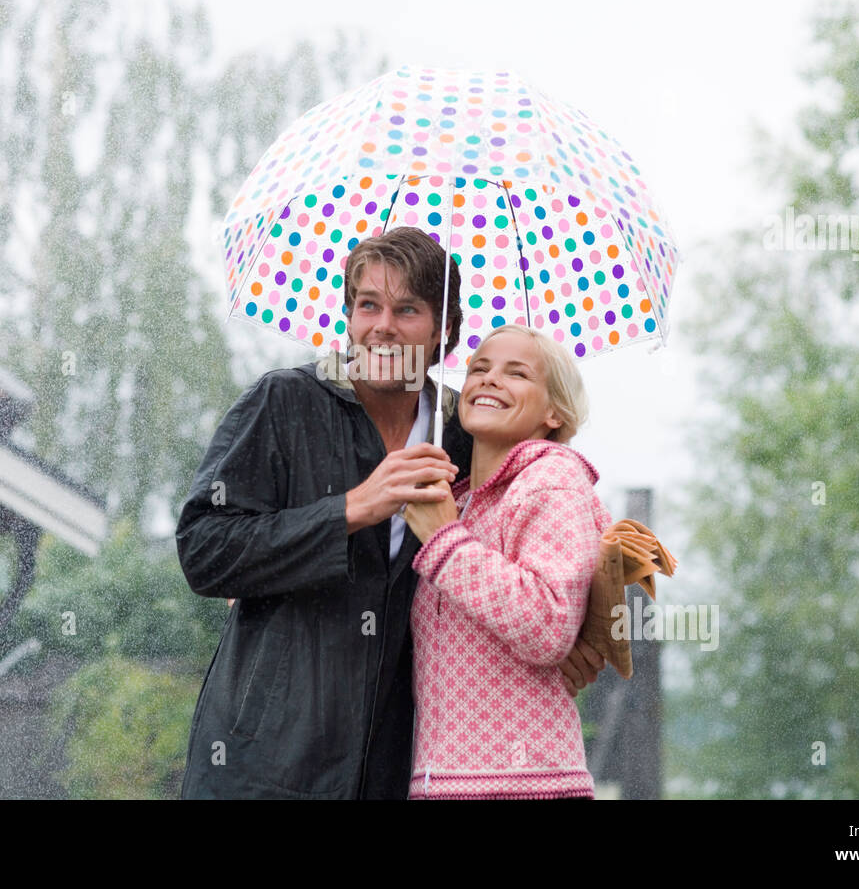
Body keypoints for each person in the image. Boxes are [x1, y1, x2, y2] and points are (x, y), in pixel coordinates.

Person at [176, 226, 605, 799]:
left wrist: (586, 633)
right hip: (265, 761)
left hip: (397, 767)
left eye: (408, 309)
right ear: (348, 318)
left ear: (442, 332)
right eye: (368, 305)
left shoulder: (465, 432)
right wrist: (350, 509)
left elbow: (547, 547)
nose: (383, 326)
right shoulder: (284, 403)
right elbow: (205, 551)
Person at [403, 324, 611, 799]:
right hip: (442, 785)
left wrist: (444, 541)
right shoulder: (458, 504)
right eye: (479, 368)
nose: (489, 379)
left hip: (526, 784)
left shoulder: (551, 480)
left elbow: (548, 623)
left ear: (554, 411)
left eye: (516, 373)